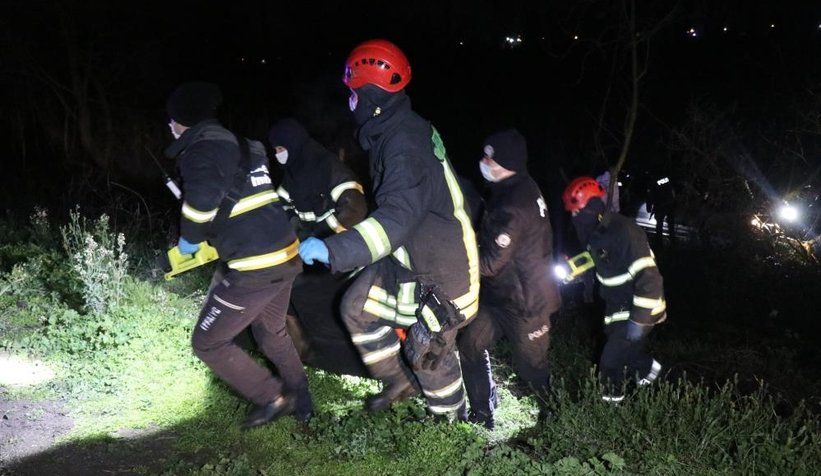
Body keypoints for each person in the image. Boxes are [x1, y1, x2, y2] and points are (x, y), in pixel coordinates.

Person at [298, 39, 480, 419]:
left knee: (428, 357)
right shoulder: (395, 131)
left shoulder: (403, 145)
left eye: (353, 94)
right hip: (412, 258)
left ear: (369, 96)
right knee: (356, 306)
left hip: (445, 275)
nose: (350, 102)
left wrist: (334, 250)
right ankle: (398, 383)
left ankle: (453, 428)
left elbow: (396, 219)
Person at [164, 82, 311, 428]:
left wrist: (189, 238)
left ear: (182, 121)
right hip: (287, 255)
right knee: (272, 333)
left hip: (256, 267)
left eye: (171, 120)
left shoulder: (199, 151)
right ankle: (303, 400)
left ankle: (274, 397)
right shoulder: (244, 145)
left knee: (208, 342)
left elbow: (201, 203)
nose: (169, 126)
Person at [457, 128, 562, 429]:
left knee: (532, 369)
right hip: (499, 297)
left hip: (526, 304)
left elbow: (489, 263)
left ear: (508, 163)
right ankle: (483, 411)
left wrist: (455, 256)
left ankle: (556, 420)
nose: (483, 162)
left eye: (490, 158)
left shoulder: (514, 204)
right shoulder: (515, 187)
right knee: (470, 347)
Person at [267, 117, 369, 376]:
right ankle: (299, 350)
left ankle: (345, 358)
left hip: (340, 253)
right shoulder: (292, 175)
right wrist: (295, 233)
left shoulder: (328, 167)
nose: (277, 154)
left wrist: (323, 238)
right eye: (275, 150)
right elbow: (280, 208)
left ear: (293, 144)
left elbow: (355, 207)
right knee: (283, 289)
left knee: (334, 304)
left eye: (280, 148)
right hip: (309, 252)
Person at [562, 177, 666, 402]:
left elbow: (649, 277)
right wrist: (574, 271)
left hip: (638, 308)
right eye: (572, 213)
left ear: (592, 207)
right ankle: (662, 379)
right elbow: (599, 256)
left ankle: (609, 409)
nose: (575, 218)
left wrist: (639, 320)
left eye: (578, 212)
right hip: (617, 306)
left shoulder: (624, 232)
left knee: (610, 362)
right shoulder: (597, 232)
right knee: (629, 357)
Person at [646, 174, 676, 246]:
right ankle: (673, 241)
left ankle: (659, 242)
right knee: (670, 224)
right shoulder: (666, 179)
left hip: (661, 204)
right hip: (670, 203)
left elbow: (650, 195)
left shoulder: (654, 182)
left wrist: (649, 207)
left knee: (659, 223)